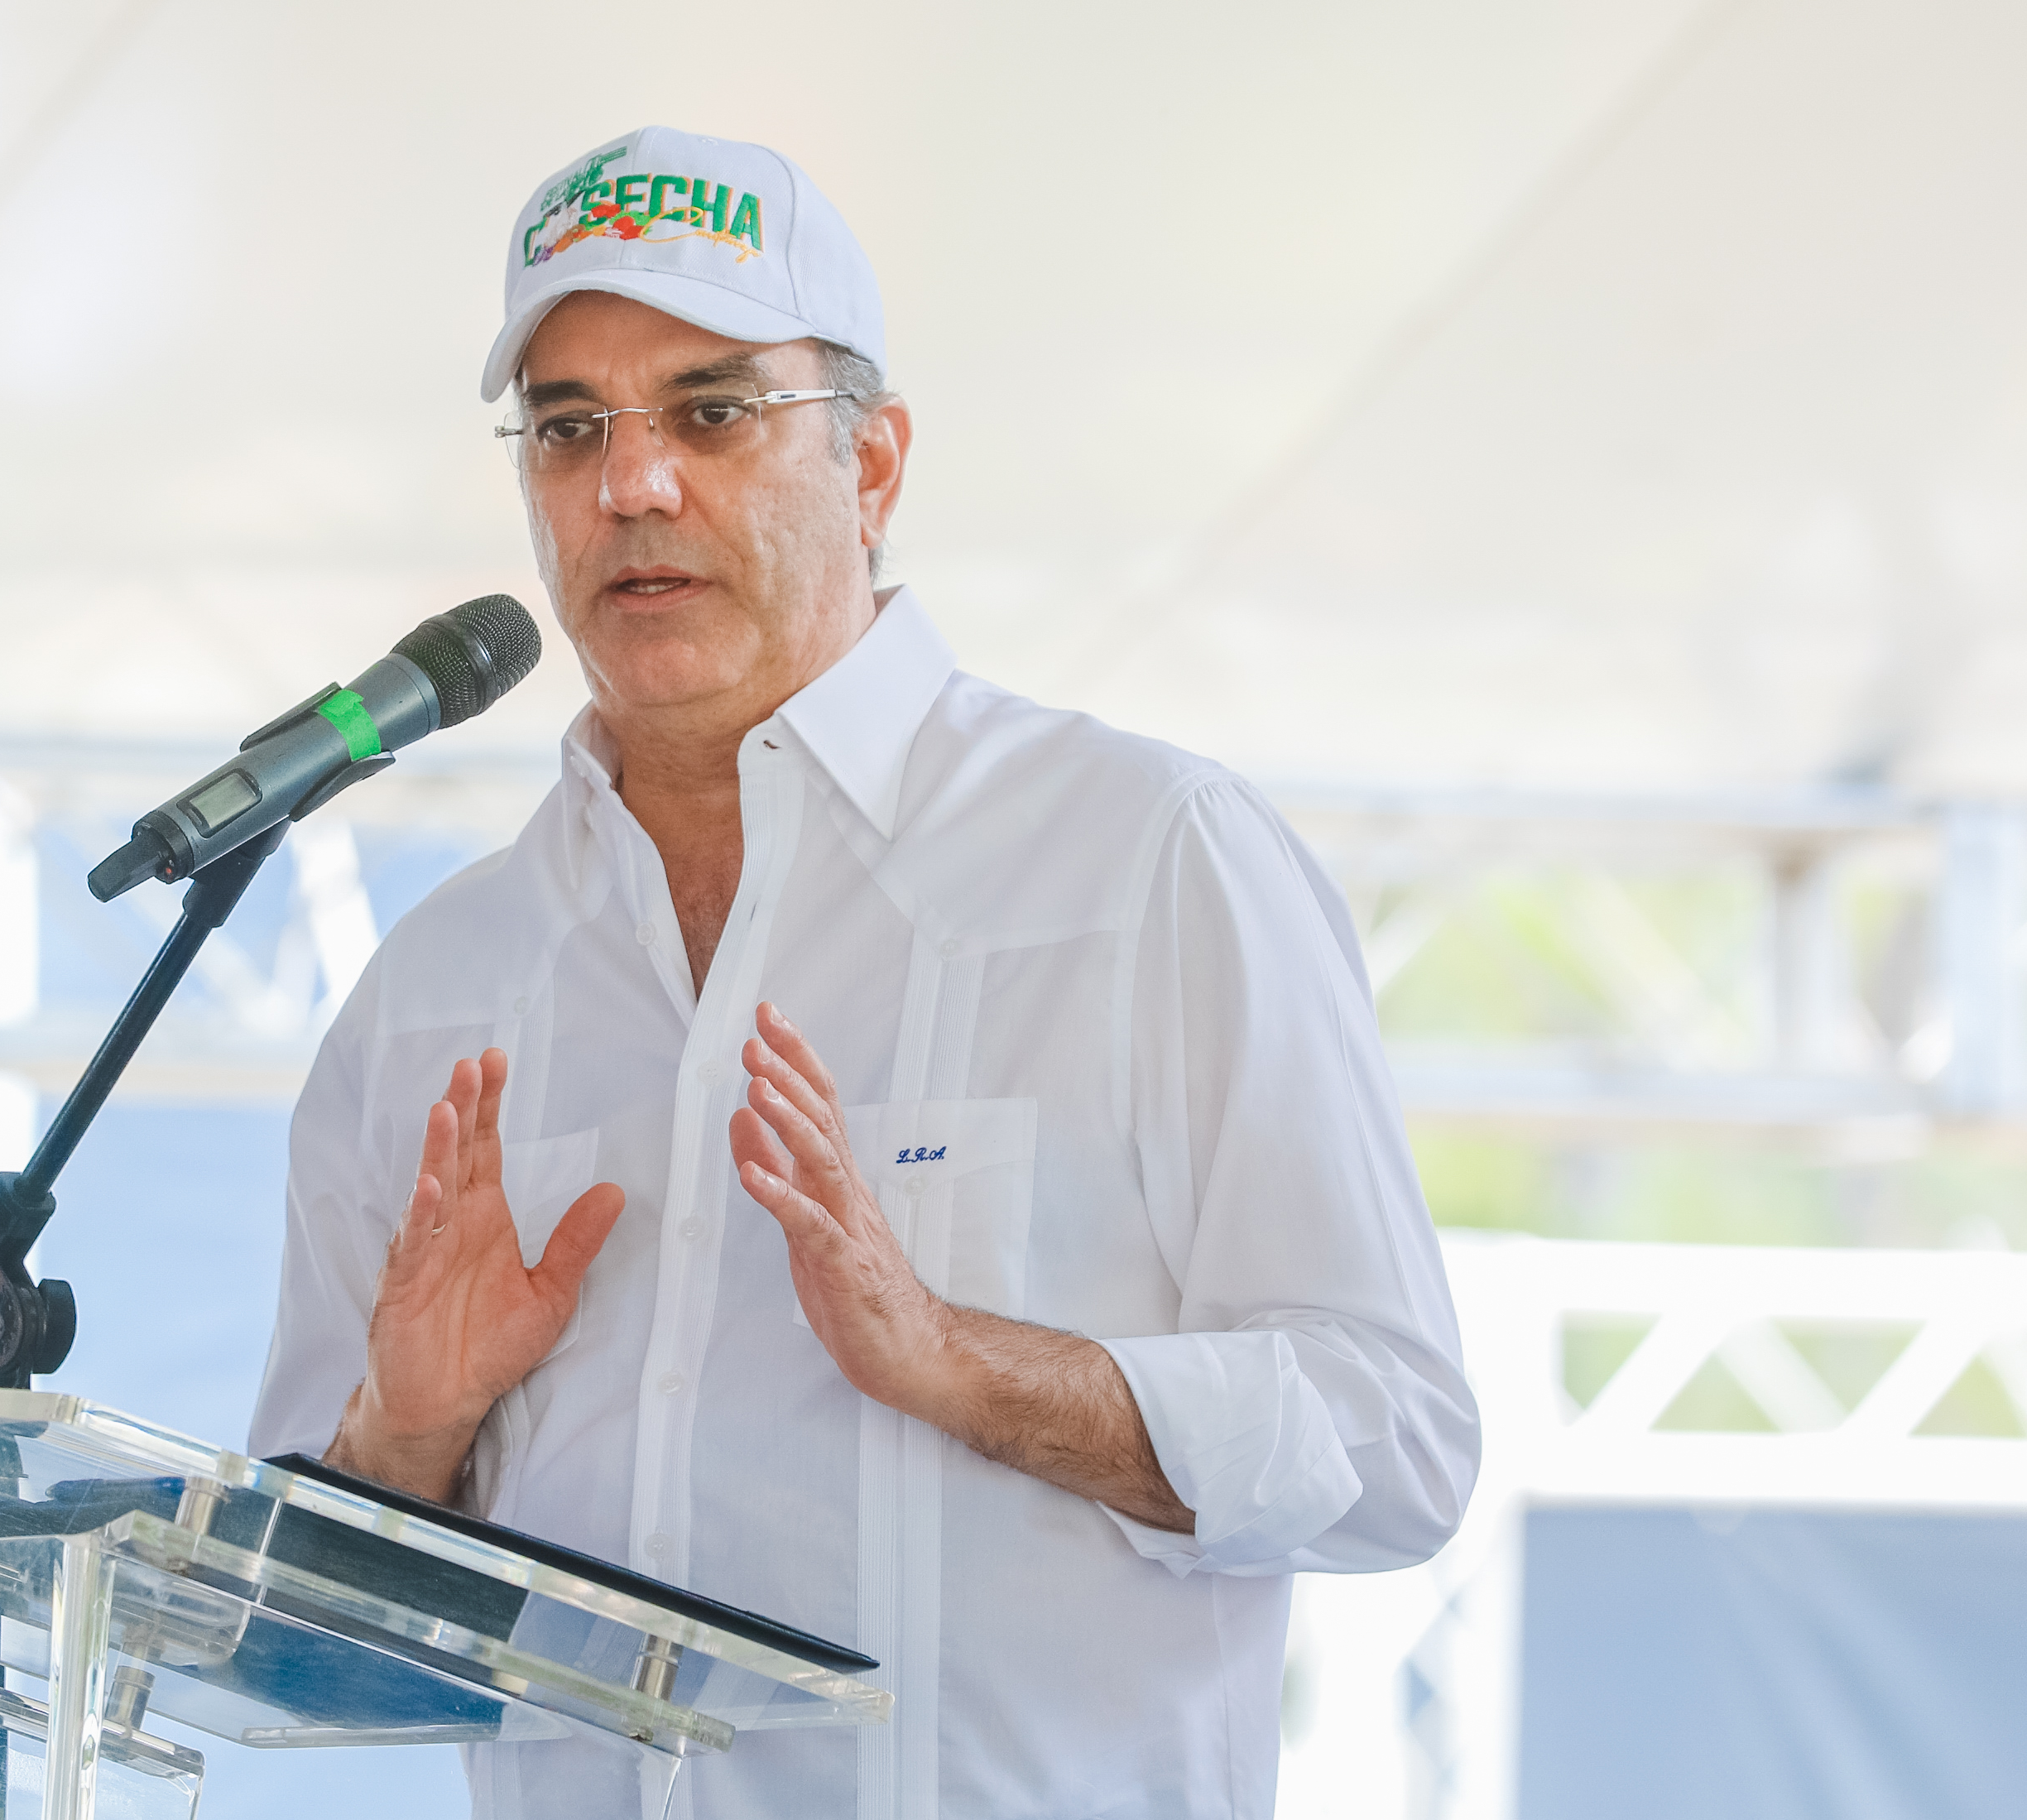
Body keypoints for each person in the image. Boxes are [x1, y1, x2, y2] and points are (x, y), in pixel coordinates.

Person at [251, 125, 1479, 1820]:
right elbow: (294, 1651)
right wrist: (404, 1436)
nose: (630, 485)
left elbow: (1395, 1440)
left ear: (874, 463)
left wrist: (965, 1364)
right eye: (568, 428)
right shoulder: (439, 986)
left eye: (711, 411)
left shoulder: (1147, 859)